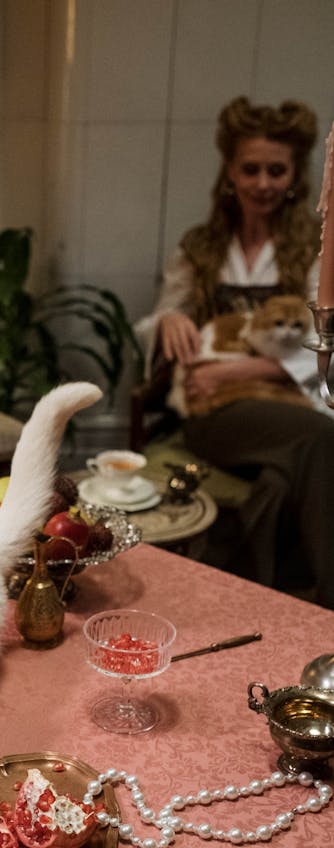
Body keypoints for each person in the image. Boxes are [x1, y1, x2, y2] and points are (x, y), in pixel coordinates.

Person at [135, 96, 334, 608]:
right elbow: (154, 326)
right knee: (322, 438)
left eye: (276, 170)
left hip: (283, 406)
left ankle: (266, 595)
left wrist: (242, 369)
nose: (263, 183)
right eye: (251, 169)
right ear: (230, 171)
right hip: (214, 411)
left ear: (294, 176)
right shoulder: (200, 248)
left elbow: (326, 342)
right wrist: (169, 319)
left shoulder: (314, 249)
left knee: (277, 480)